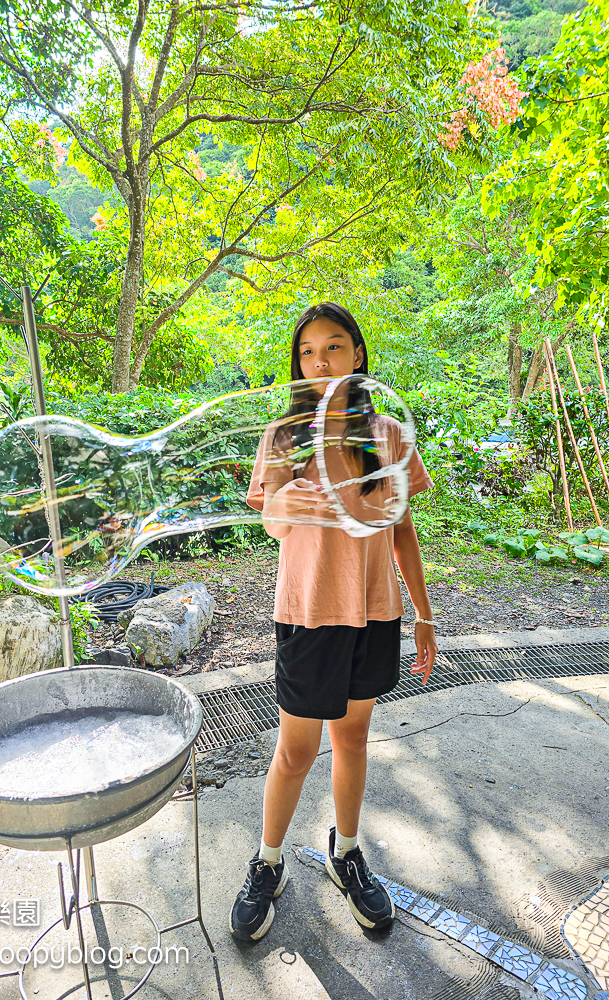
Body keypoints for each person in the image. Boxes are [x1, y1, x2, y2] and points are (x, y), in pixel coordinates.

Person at [229, 302, 437, 943]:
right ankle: (268, 864)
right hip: (310, 612)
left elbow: (402, 529)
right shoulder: (283, 438)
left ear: (358, 355)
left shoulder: (388, 434)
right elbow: (273, 523)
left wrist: (424, 614)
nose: (321, 361)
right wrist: (289, 497)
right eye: (308, 351)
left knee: (351, 739)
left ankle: (347, 851)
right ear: (297, 363)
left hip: (373, 611)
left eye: (335, 347)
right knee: (294, 751)